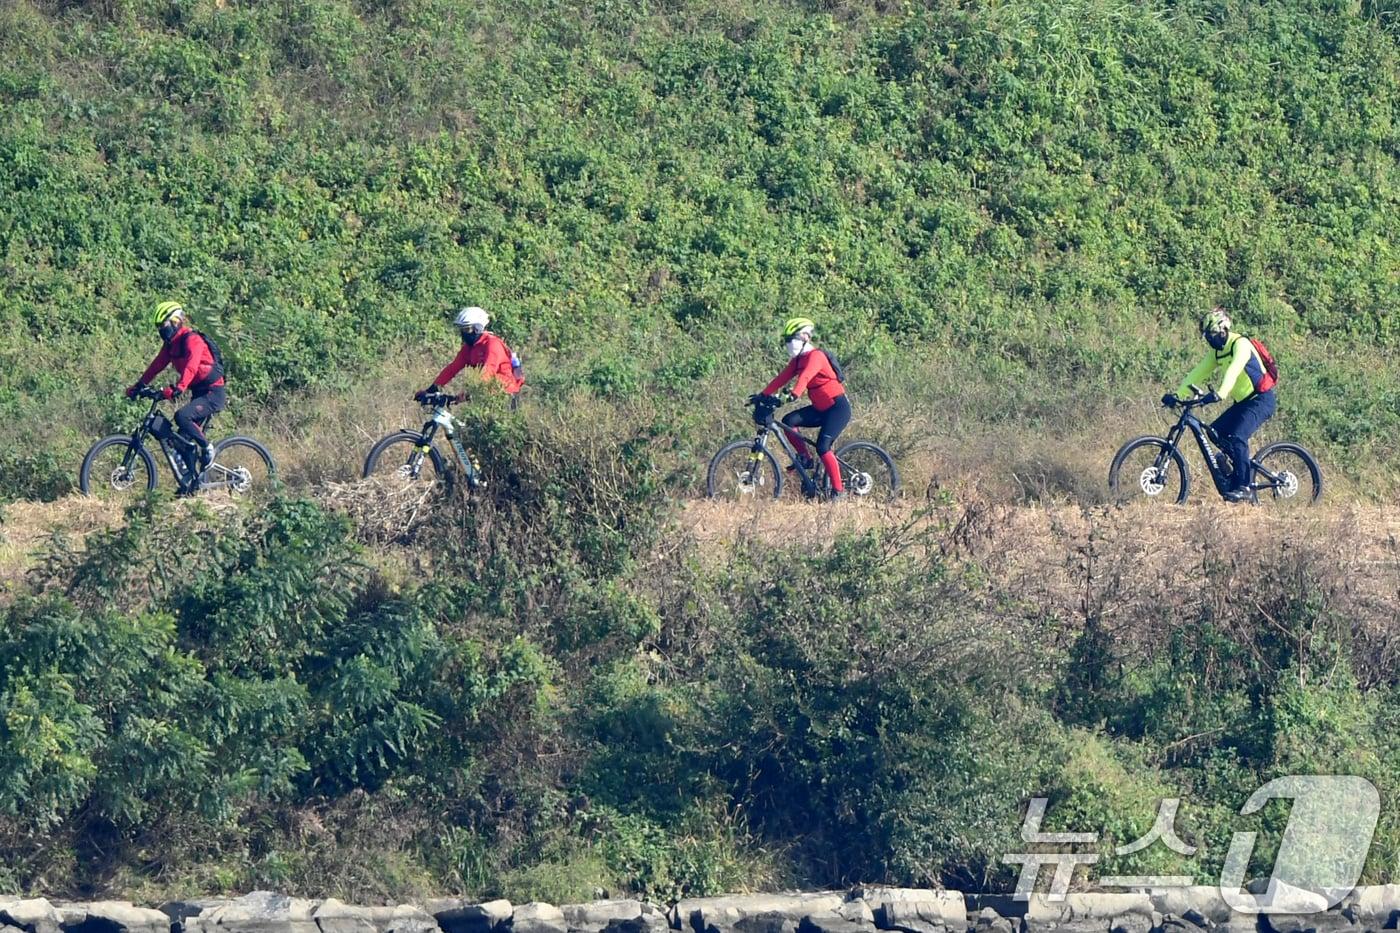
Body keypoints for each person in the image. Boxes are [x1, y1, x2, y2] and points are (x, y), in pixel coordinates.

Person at [1162, 308, 1277, 503]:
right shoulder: (1217, 352)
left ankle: (1244, 486)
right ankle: (1239, 470)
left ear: (1223, 329)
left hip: (1261, 399)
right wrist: (1177, 394)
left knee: (1238, 436)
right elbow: (1197, 373)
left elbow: (1233, 371)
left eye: (1212, 335)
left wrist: (1220, 393)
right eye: (1207, 337)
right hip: (1243, 402)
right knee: (1215, 431)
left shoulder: (1240, 344)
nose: (1210, 340)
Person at [752, 317, 850, 500]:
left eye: (793, 339)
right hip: (820, 409)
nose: (790, 344)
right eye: (787, 340)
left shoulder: (816, 356)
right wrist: (763, 394)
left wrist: (794, 394)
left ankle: (839, 491)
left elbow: (804, 378)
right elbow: (780, 379)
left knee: (823, 447)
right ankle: (805, 458)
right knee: (789, 421)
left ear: (806, 336)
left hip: (838, 408)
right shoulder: (797, 360)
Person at [127, 300, 226, 478]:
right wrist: (139, 386)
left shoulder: (192, 339)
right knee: (180, 443)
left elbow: (192, 366)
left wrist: (179, 387)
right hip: (198, 392)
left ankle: (207, 448)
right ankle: (191, 483)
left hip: (213, 392)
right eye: (158, 327)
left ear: (174, 321)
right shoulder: (171, 346)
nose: (161, 330)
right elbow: (156, 366)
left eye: (163, 325)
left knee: (182, 416)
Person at [416, 306, 523, 404]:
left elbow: (488, 370)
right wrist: (431, 390)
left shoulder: (492, 344)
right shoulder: (469, 348)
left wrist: (469, 391)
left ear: (478, 328)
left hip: (505, 394)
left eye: (467, 329)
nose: (464, 333)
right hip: (484, 393)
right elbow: (452, 369)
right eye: (462, 329)